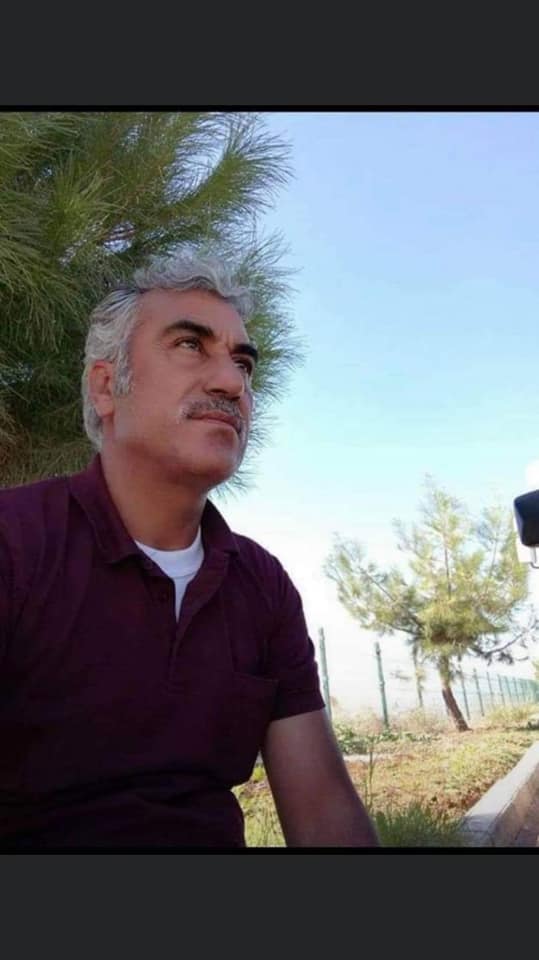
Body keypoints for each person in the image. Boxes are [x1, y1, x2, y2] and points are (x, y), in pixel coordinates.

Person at [0, 255, 378, 849]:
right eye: (189, 345)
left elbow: (324, 817)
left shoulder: (261, 585)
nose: (232, 383)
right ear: (106, 386)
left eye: (243, 362)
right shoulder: (15, 543)